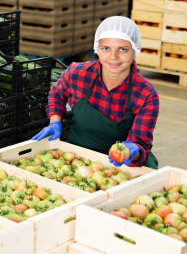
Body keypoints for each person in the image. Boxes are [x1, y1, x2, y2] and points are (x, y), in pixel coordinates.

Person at [32, 16, 159, 169]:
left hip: (122, 164)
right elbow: (56, 93)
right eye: (106, 48)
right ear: (97, 49)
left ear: (135, 50)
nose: (113, 57)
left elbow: (140, 143)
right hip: (79, 155)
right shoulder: (78, 73)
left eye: (123, 49)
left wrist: (134, 152)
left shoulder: (146, 95)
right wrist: (55, 120)